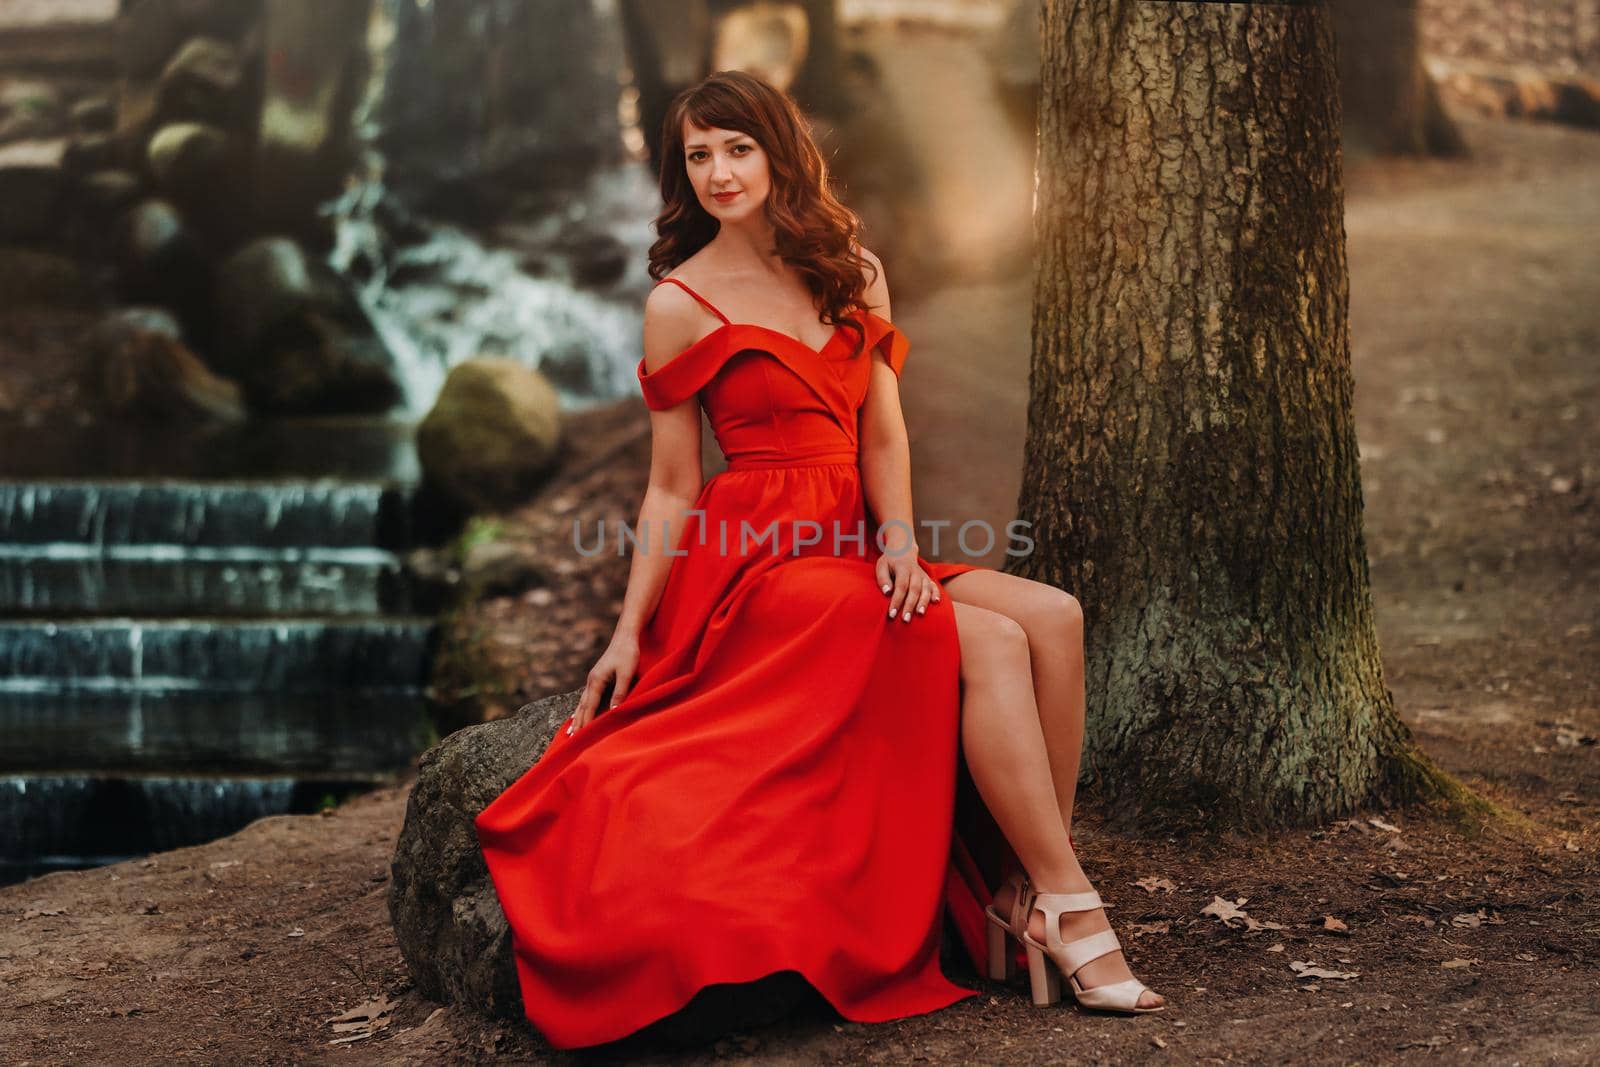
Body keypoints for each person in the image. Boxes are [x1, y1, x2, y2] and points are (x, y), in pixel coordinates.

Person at [473, 69, 1163, 1052]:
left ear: (777, 149)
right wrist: (625, 631)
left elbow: (882, 436)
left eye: (736, 147)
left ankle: (1014, 888)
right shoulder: (679, 300)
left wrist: (899, 542)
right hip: (756, 565)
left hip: (852, 537)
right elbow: (672, 485)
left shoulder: (852, 269)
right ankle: (1065, 896)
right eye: (698, 155)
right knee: (990, 644)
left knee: (1053, 615)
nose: (717, 170)